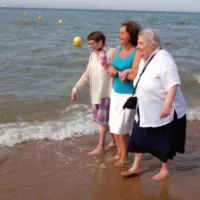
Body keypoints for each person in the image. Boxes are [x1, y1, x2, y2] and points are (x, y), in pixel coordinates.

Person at [121, 29, 187, 180]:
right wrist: (128, 70)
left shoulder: (164, 59)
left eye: (141, 43)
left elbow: (173, 84)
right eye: (138, 43)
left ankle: (164, 169)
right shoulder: (146, 56)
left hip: (163, 110)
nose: (137, 46)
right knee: (137, 138)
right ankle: (136, 167)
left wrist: (167, 106)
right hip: (144, 108)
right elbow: (143, 72)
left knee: (162, 141)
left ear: (153, 44)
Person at [71, 31, 115, 155]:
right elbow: (87, 74)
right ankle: (114, 139)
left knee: (103, 122)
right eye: (89, 43)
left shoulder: (111, 53)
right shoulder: (92, 56)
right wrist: (76, 89)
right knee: (102, 120)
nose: (90, 46)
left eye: (92, 43)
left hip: (107, 94)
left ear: (100, 42)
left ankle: (100, 147)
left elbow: (118, 68)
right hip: (95, 95)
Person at [107, 21, 141, 167]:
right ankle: (119, 153)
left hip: (128, 95)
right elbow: (111, 65)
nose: (119, 35)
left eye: (122, 33)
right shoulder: (118, 49)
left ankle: (125, 157)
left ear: (130, 35)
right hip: (115, 92)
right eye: (119, 32)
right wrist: (111, 70)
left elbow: (135, 75)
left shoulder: (137, 52)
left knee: (122, 127)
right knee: (114, 126)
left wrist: (119, 73)